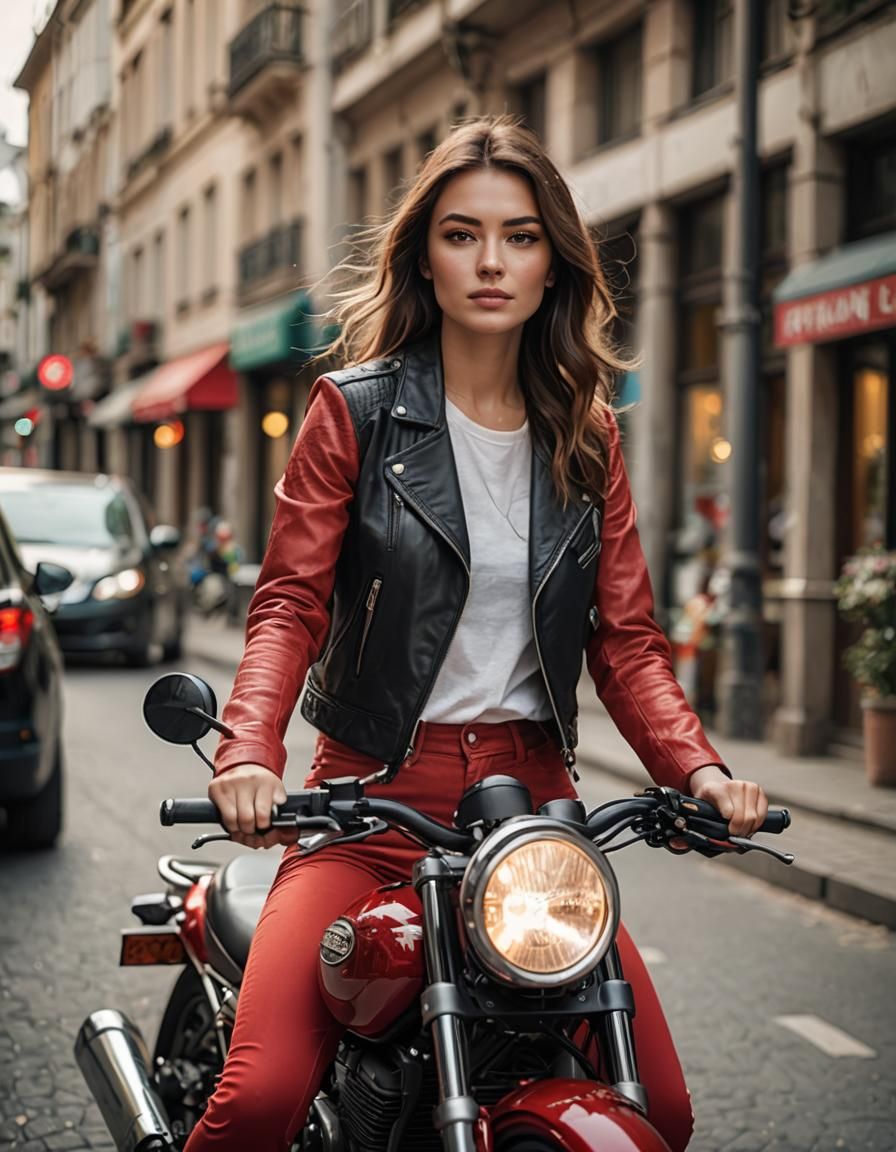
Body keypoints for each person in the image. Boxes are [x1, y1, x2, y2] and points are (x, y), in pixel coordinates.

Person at [188, 116, 769, 1152]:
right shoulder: (353, 412)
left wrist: (700, 770)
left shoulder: (583, 431)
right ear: (425, 256)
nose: (491, 260)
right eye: (461, 234)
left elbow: (625, 639)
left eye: (519, 235)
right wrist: (247, 751)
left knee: (663, 1112)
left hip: (533, 828)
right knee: (262, 1098)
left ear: (554, 264)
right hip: (369, 808)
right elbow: (289, 602)